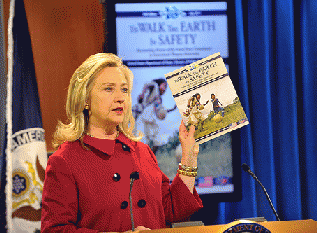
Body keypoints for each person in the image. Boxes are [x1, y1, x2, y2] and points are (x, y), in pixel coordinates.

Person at [41, 53, 203, 233]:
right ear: (85, 99)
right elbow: (55, 230)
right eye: (109, 89)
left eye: (124, 90)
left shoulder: (142, 151)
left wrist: (189, 154)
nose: (120, 98)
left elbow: (172, 209)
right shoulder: (65, 161)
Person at [132, 78, 177, 154]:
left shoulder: (159, 99)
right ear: (159, 84)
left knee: (158, 140)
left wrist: (172, 109)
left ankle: (151, 157)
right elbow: (148, 84)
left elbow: (159, 111)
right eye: (164, 86)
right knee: (142, 140)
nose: (165, 89)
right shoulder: (155, 87)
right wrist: (143, 93)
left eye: (166, 87)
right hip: (143, 119)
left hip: (151, 121)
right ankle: (141, 158)